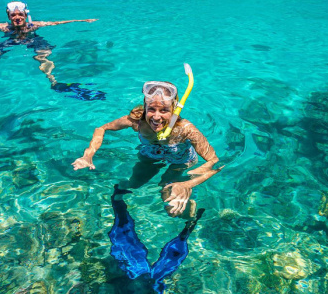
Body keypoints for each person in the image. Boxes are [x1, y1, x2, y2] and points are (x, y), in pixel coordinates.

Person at [72, 70, 221, 217]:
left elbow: (214, 161)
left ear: (175, 109)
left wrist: (188, 184)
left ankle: (187, 204)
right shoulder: (137, 121)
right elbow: (102, 128)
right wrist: (88, 154)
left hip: (180, 160)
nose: (156, 117)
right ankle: (122, 188)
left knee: (170, 202)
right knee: (134, 184)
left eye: (164, 110)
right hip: (150, 155)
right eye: (151, 109)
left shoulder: (186, 129)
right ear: (145, 106)